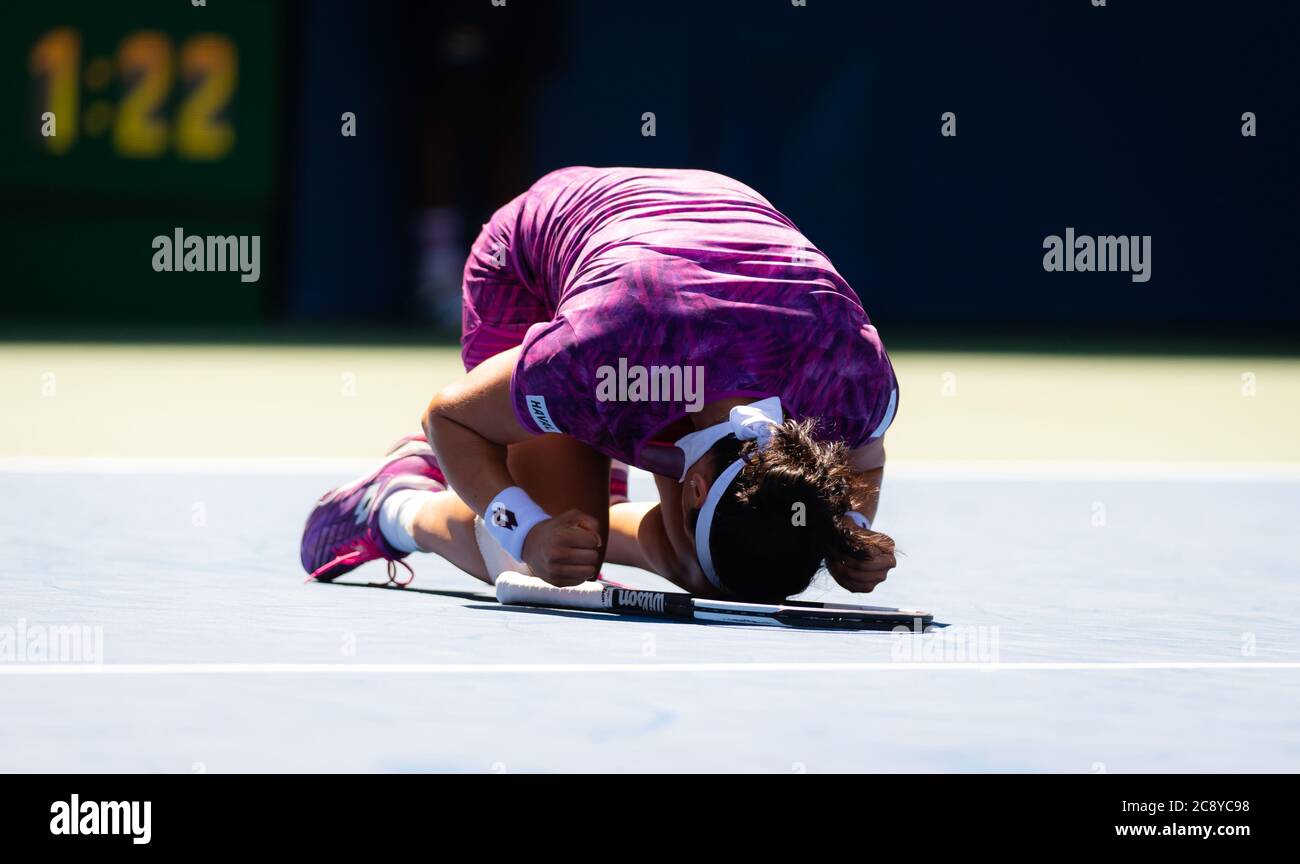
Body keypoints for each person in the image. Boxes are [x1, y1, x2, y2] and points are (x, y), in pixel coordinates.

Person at [301, 167, 898, 601]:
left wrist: (851, 528)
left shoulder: (849, 380)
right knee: (534, 562)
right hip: (536, 265)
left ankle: (577, 480)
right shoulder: (602, 357)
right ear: (692, 490)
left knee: (692, 567)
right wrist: (529, 530)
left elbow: (865, 456)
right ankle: (393, 504)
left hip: (680, 250)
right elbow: (448, 418)